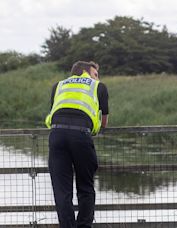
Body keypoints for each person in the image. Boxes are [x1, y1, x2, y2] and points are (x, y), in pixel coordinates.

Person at [45, 61, 109, 227]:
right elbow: (104, 122)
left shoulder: (58, 86)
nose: (98, 78)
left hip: (57, 135)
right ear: (85, 72)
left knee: (61, 190)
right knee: (85, 186)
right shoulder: (98, 87)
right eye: (95, 74)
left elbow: (53, 111)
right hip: (81, 135)